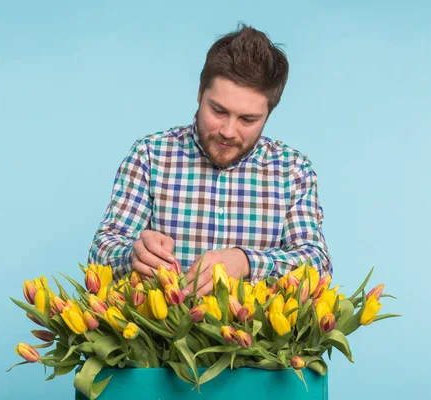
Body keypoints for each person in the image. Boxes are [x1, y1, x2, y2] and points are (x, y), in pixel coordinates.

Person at [88, 24, 332, 297]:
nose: (228, 131)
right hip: (158, 336)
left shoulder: (293, 171)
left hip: (253, 338)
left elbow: (318, 266)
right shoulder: (150, 156)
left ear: (268, 114)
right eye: (218, 110)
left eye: (247, 119)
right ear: (200, 93)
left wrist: (247, 262)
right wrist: (131, 254)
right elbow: (101, 252)